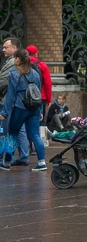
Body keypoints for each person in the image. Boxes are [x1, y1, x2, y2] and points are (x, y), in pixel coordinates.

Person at [0, 49, 45, 172]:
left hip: (20, 108)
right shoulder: (35, 73)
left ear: (18, 59)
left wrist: (4, 112)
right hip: (34, 109)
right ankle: (42, 162)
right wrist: (40, 110)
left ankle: (7, 163)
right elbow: (38, 92)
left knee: (12, 135)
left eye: (15, 58)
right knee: (35, 135)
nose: (14, 60)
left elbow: (11, 95)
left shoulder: (14, 72)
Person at [0, 38, 29, 166]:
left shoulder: (13, 64)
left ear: (15, 49)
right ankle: (23, 156)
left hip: (9, 102)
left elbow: (3, 82)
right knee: (18, 130)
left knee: (8, 131)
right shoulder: (27, 68)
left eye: (6, 47)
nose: (3, 50)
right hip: (19, 103)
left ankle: (6, 160)